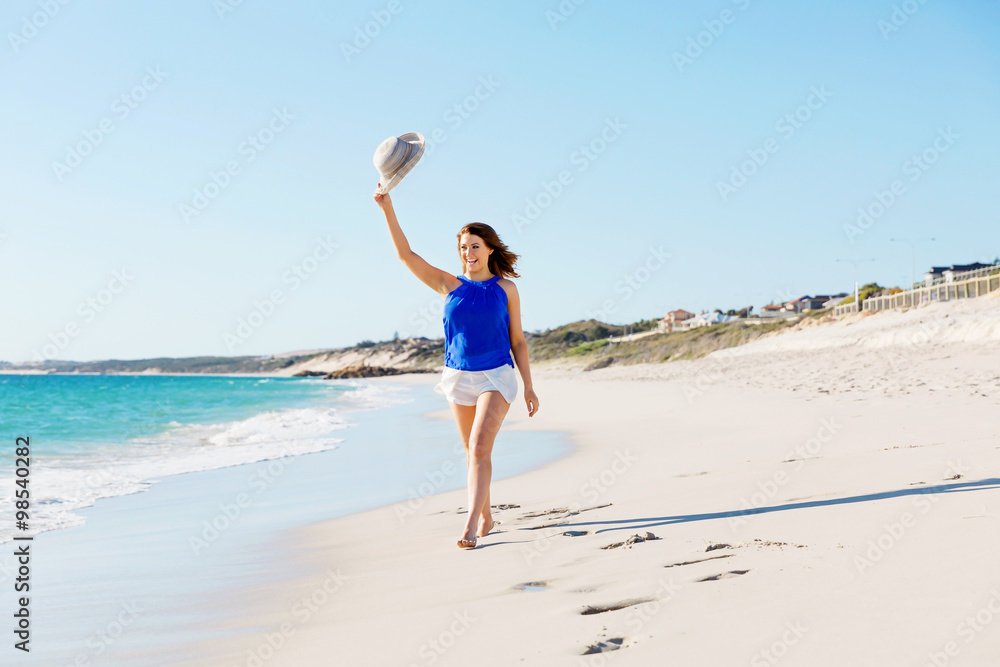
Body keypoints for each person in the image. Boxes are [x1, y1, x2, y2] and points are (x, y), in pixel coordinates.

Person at [374, 185, 539, 550]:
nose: (469, 253)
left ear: (490, 249)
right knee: (473, 452)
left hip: (497, 374)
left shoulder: (506, 288)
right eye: (464, 248)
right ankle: (487, 514)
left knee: (480, 445)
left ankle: (468, 524)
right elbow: (406, 255)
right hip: (458, 375)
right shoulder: (449, 285)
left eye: (475, 246)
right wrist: (387, 208)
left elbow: (518, 341)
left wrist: (528, 386)